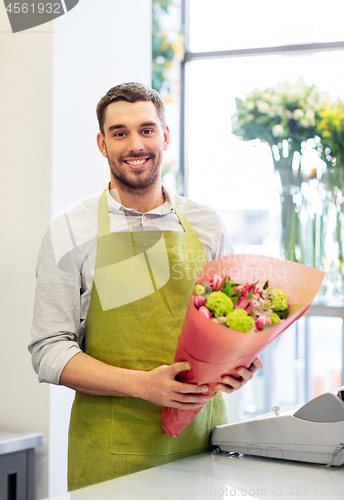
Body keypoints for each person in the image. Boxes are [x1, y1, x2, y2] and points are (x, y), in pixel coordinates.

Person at [29, 82, 262, 491]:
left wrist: (239, 363)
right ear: (102, 144)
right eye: (120, 133)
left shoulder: (206, 224)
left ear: (165, 136)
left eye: (147, 130)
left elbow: (233, 323)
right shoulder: (69, 229)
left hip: (203, 445)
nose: (135, 144)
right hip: (111, 452)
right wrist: (143, 386)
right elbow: (49, 350)